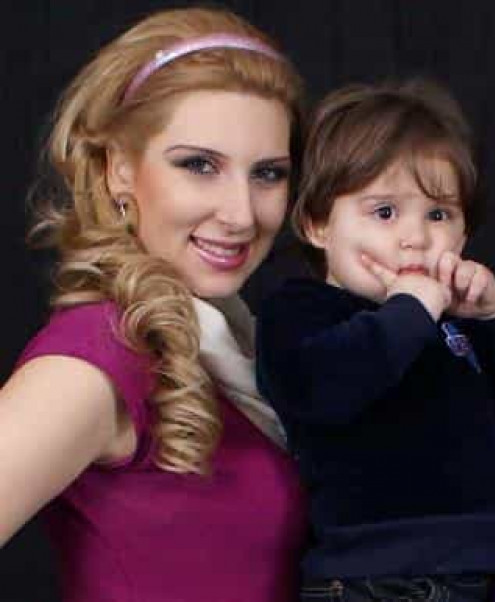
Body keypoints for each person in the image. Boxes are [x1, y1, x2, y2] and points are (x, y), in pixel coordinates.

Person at [0, 7, 308, 601]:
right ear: (119, 169)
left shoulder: (230, 347)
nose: (241, 214)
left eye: (268, 174)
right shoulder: (96, 356)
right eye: (199, 166)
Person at [255, 79, 495, 601]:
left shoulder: (451, 317)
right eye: (385, 213)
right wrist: (410, 310)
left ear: (463, 233)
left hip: (473, 572)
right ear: (317, 225)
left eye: (438, 215)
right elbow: (321, 388)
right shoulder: (302, 312)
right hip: (371, 577)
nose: (415, 238)